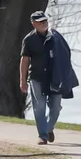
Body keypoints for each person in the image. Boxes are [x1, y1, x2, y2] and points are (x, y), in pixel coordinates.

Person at [19, 11, 77, 144]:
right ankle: (43, 135)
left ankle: (49, 128)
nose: (44, 22)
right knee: (39, 106)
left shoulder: (56, 37)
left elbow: (65, 55)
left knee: (55, 107)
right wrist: (22, 80)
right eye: (40, 21)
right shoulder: (29, 40)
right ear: (34, 24)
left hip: (55, 78)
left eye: (45, 20)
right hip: (37, 77)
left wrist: (66, 76)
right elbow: (25, 60)